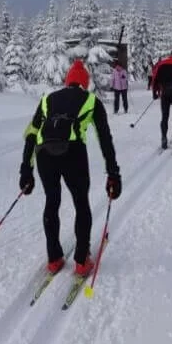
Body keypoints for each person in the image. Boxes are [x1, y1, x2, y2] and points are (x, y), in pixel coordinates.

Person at [19, 60, 121, 277]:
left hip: (43, 153)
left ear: (67, 81)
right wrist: (113, 174)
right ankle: (82, 260)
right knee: (81, 203)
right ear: (85, 83)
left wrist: (26, 171)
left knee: (52, 201)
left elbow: (31, 134)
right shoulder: (91, 100)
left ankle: (54, 258)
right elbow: (105, 139)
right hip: (72, 152)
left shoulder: (48, 99)